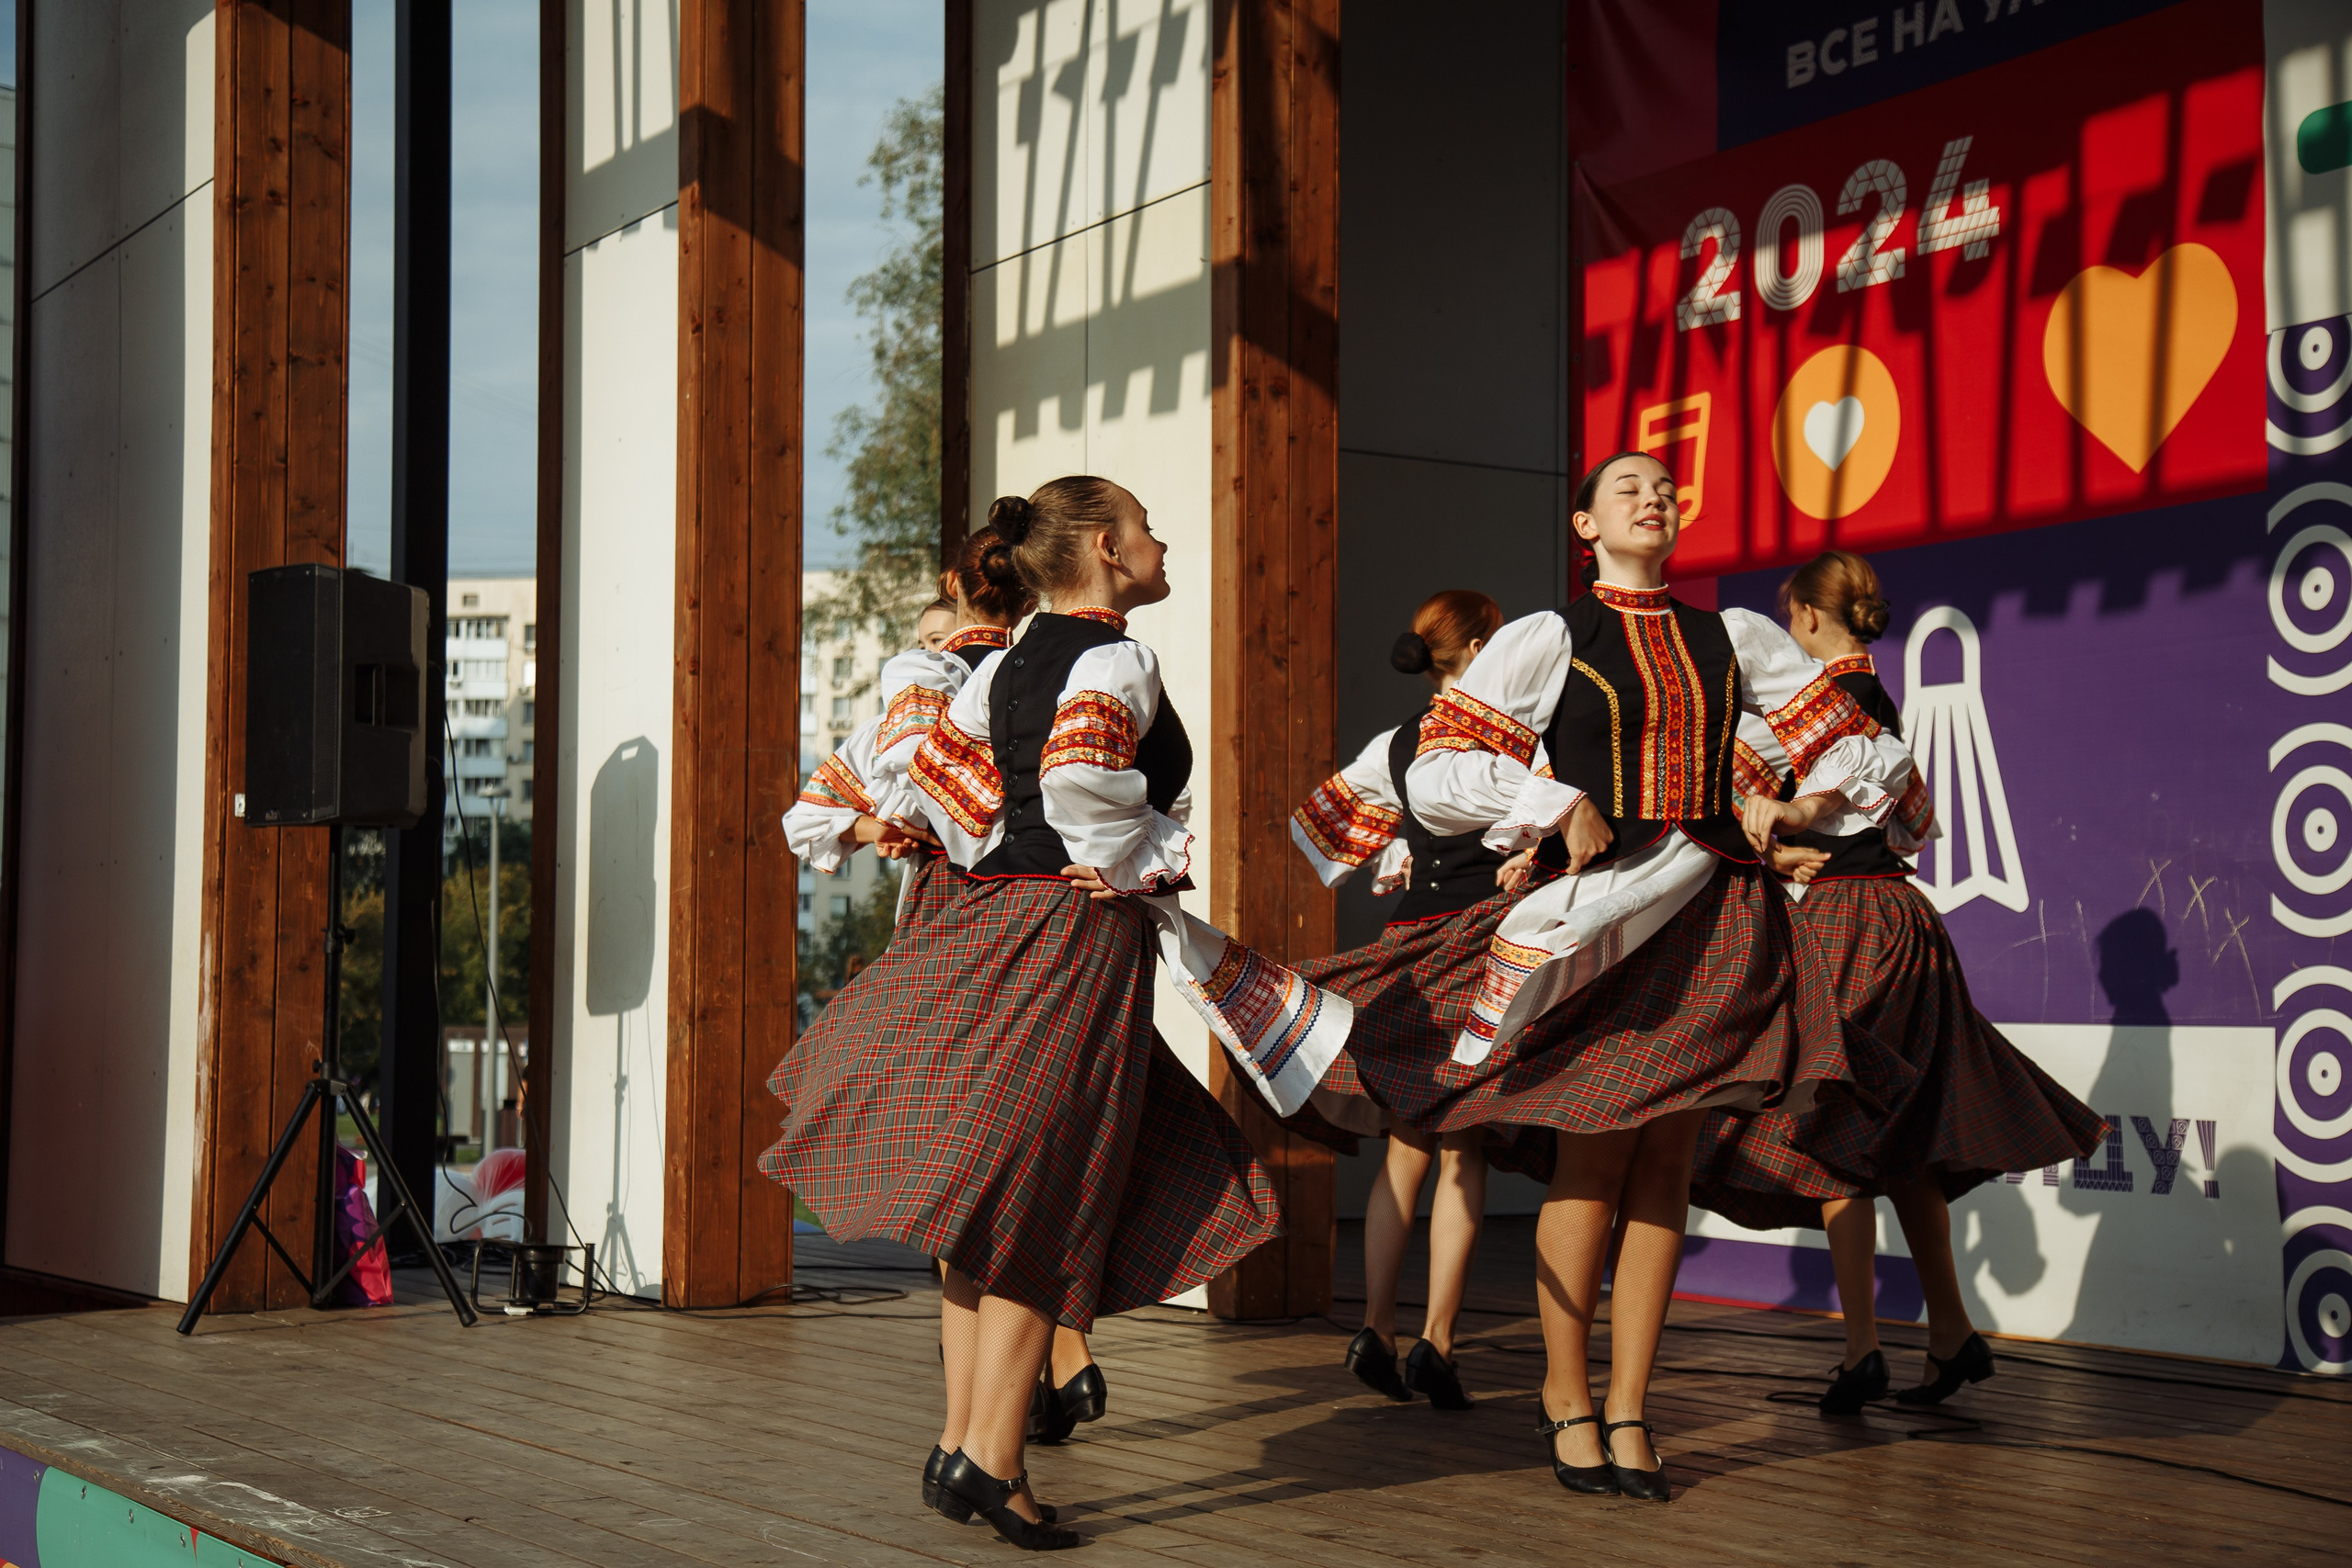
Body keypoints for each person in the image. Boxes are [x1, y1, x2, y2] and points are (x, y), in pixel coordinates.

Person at [1348, 451, 1916, 1502]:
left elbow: (1861, 747)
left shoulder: (1734, 635)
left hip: (1716, 917)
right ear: (1584, 523)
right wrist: (1553, 803)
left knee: (1664, 1167)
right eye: (1627, 488)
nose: (1652, 497)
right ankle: (1567, 1394)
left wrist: (1796, 806)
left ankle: (1629, 1405)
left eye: (1663, 486)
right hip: (1606, 916)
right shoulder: (1553, 635)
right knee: (1595, 1161)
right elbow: (1439, 767)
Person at [761, 476, 1289, 1551]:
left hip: (991, 921)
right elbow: (1084, 781)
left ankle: (966, 1439)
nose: (1160, 540)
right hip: (1069, 938)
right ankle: (992, 1462)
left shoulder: (998, 662)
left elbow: (939, 791)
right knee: (1048, 1191)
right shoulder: (1114, 657)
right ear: (1105, 548)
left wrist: (962, 847)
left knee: (997, 1194)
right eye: (1146, 528)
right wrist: (1130, 861)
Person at [1690, 549, 2104, 1413]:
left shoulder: (1822, 705)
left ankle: (1863, 1348)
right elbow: (1900, 823)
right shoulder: (1866, 697)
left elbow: (1762, 792)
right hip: (1897, 916)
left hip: (1846, 919)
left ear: (1802, 617)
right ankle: (1947, 1333)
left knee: (1829, 1122)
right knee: (1897, 1132)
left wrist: (1775, 830)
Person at [1287, 589, 1535, 1411]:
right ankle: (1439, 1338)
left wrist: (1394, 845)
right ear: (1488, 641)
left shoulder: (1396, 742)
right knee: (1463, 1155)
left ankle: (1378, 1325)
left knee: (1407, 1146)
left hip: (1409, 947)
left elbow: (1323, 827)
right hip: (1482, 940)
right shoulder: (1517, 737)